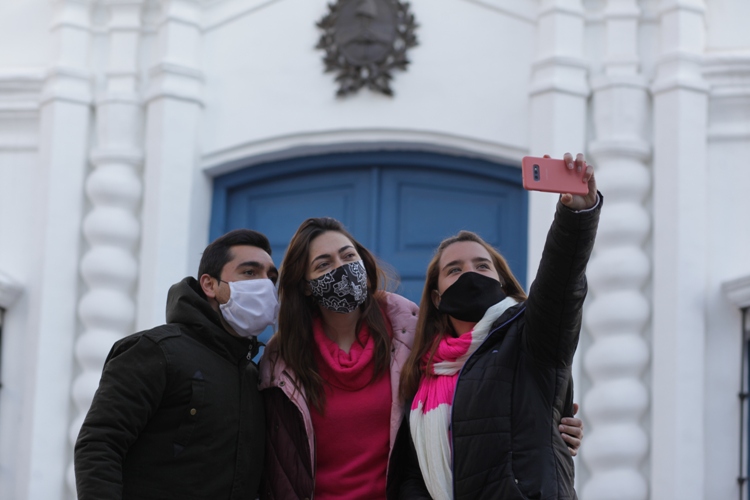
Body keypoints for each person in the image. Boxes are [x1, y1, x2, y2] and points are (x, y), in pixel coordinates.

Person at [259, 215, 585, 500]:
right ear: (305, 285)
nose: (342, 269)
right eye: (323, 264)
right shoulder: (282, 363)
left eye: (348, 256)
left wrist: (548, 424)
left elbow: (556, 297)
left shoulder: (407, 338)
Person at [398, 153, 600, 500]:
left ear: (502, 281)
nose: (470, 274)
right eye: (455, 270)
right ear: (436, 297)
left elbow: (560, 285)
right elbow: (409, 475)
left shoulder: (530, 337)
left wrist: (575, 217)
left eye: (482, 266)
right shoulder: (420, 375)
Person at [74, 229, 278, 500]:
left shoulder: (254, 375)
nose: (264, 285)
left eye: (271, 278)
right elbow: (100, 444)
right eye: (249, 272)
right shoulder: (155, 350)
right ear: (209, 285)